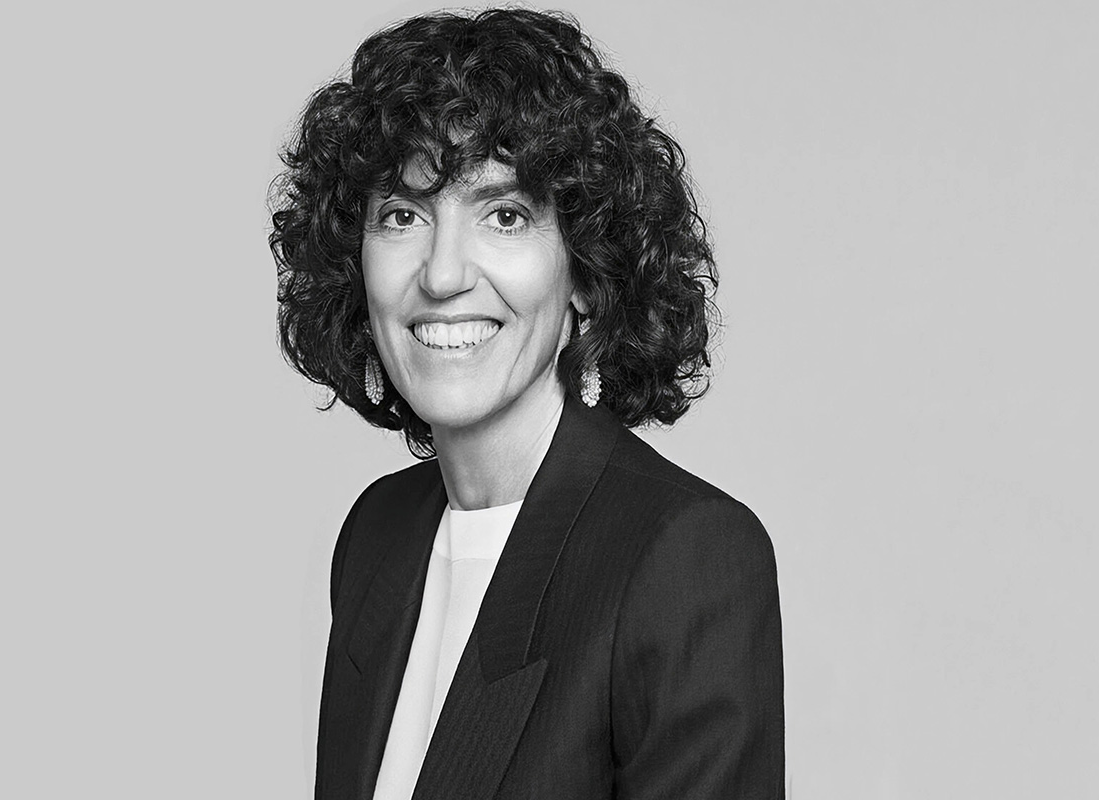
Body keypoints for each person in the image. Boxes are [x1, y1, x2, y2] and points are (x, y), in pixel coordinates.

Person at [269, 8, 783, 799]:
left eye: (504, 216)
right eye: (402, 215)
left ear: (585, 273)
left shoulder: (684, 559)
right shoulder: (377, 536)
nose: (442, 274)